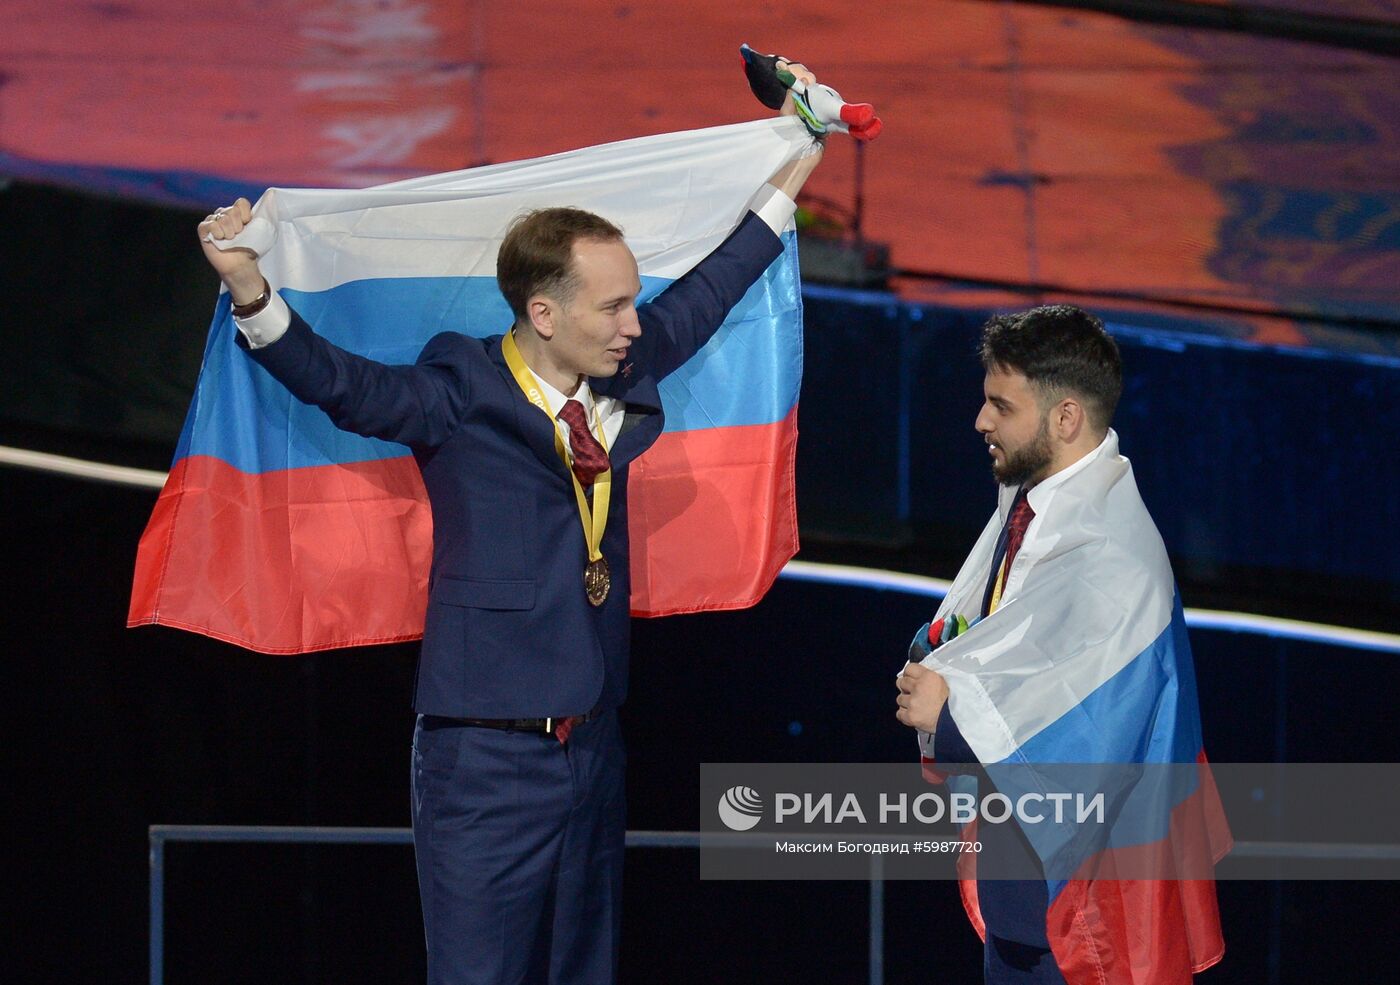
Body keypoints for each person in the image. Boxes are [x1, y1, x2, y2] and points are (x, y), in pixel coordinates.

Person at [198, 67, 823, 985]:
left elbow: (719, 280)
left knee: (583, 967)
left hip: (593, 741)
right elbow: (344, 385)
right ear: (544, 312)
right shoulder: (460, 393)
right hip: (483, 756)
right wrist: (251, 292)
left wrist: (798, 147)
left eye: (630, 300)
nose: (631, 322)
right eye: (611, 305)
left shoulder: (625, 365)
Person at [895, 305, 1226, 984]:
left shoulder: (1111, 556)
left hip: (1080, 933)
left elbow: (1091, 736)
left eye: (1000, 406)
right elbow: (1009, 643)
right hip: (1022, 910)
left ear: (1066, 418)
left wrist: (951, 716)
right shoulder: (1033, 508)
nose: (981, 421)